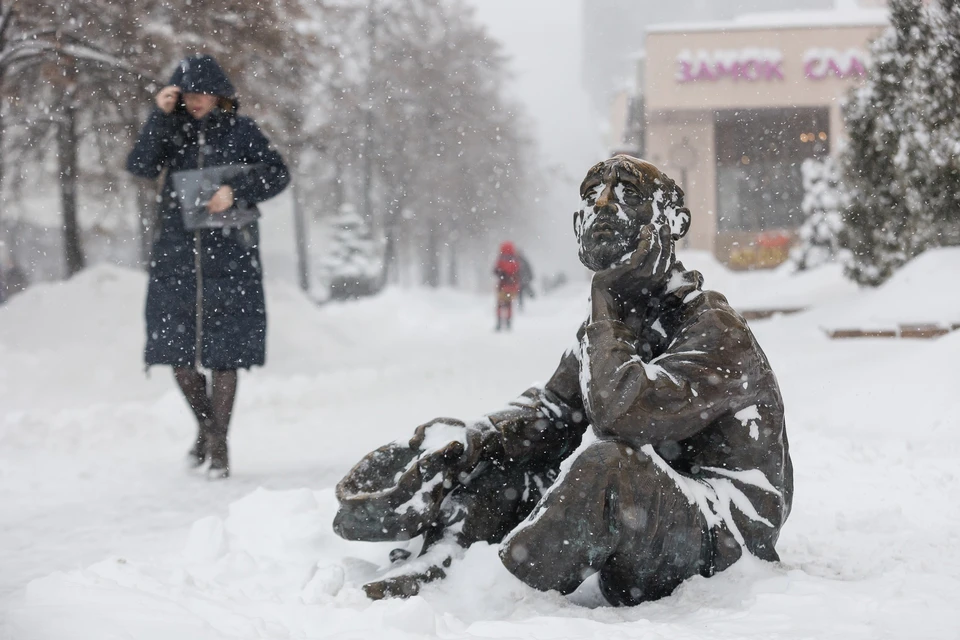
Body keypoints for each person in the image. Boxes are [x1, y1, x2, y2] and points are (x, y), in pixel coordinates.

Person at [333, 155, 793, 604]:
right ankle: (448, 559)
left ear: (671, 222)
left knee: (608, 467)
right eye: (592, 194)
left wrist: (605, 296)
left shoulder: (711, 327)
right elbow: (556, 409)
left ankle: (499, 592)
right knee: (512, 457)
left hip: (727, 534)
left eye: (627, 193)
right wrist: (476, 439)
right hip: (666, 505)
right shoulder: (618, 323)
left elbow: (623, 417)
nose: (604, 204)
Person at [126, 54, 290, 479]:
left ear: (219, 94)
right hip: (176, 257)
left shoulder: (242, 130)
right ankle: (208, 429)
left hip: (230, 257)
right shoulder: (172, 129)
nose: (196, 101)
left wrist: (236, 190)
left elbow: (278, 173)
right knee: (179, 358)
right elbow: (140, 166)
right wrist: (158, 117)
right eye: (188, 94)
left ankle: (220, 446)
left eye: (202, 93)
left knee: (224, 356)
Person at [493, 241, 521, 331]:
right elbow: (517, 272)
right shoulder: (515, 259)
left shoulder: (501, 259)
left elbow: (495, 270)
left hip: (502, 286)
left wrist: (502, 275)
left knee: (500, 304)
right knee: (509, 304)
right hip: (512, 286)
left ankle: (499, 322)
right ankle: (508, 322)